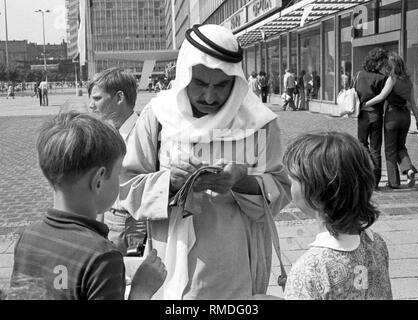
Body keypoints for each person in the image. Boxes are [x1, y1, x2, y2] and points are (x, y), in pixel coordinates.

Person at [119, 24, 291, 300]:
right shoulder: (158, 117)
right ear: (184, 74)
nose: (210, 97)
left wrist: (242, 180)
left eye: (222, 85)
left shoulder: (259, 123)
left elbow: (281, 189)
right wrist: (169, 183)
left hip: (237, 271)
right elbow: (125, 186)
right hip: (169, 267)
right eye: (199, 84)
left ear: (237, 82)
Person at [10, 112, 167, 299]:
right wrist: (142, 290)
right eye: (118, 174)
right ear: (98, 180)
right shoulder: (102, 257)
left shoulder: (28, 236)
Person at [282, 131, 392, 300]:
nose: (289, 184)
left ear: (315, 192)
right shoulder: (376, 243)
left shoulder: (309, 269)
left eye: (293, 180)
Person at [88, 67, 147, 255]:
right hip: (109, 218)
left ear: (119, 98)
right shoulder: (106, 133)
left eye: (97, 98)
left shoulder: (146, 134)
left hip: (135, 223)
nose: (91, 105)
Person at [363, 53, 418, 189]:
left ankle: (394, 182)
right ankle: (409, 169)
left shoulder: (392, 79)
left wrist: (365, 104)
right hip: (406, 117)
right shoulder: (409, 81)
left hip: (393, 116)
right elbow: (413, 103)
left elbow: (381, 97)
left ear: (391, 66)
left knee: (390, 150)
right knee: (401, 146)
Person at [355, 48, 389, 189]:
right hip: (377, 115)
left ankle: (366, 175)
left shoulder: (359, 74)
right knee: (376, 148)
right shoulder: (383, 78)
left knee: (362, 144)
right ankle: (375, 181)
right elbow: (384, 97)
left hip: (363, 114)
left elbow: (355, 91)